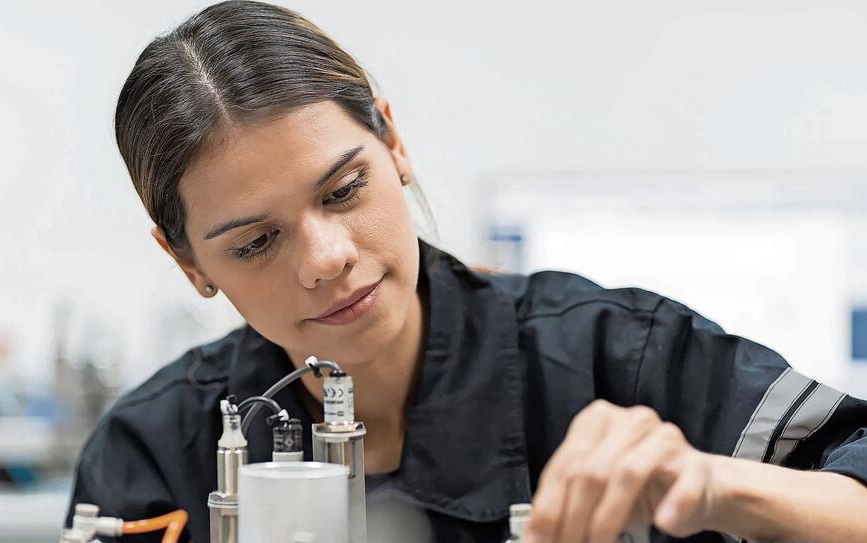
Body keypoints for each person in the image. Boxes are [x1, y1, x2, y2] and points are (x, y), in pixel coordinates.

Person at [67, 2, 867, 542]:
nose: (326, 258)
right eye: (254, 243)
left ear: (395, 146)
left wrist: (716, 484)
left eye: (345, 190)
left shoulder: (613, 357)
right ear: (187, 262)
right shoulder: (151, 454)